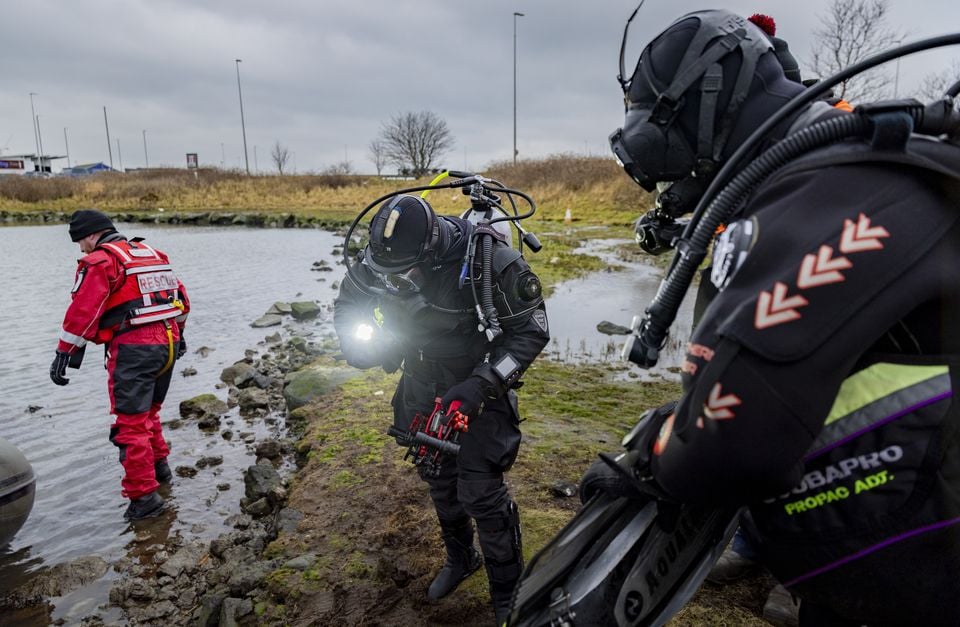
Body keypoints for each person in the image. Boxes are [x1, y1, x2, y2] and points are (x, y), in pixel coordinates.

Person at [587, 8, 960, 626]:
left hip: (912, 565)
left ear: (699, 103)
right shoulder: (851, 158)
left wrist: (652, 456)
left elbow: (728, 443)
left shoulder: (832, 187)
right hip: (897, 532)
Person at [334, 194, 549, 624]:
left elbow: (532, 332)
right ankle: (461, 558)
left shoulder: (491, 261)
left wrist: (483, 384)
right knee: (437, 478)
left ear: (430, 253)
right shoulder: (379, 258)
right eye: (388, 274)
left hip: (475, 386)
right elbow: (347, 305)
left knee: (482, 493)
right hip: (418, 380)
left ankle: (508, 591)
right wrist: (361, 344)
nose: (396, 281)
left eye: (407, 274)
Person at [50, 209, 190, 521]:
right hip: (167, 340)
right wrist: (180, 336)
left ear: (90, 235)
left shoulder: (101, 261)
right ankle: (160, 471)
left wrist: (64, 353)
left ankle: (144, 499)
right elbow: (181, 299)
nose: (81, 249)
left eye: (80, 242)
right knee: (148, 414)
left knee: (130, 424)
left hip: (135, 348)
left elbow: (84, 310)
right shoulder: (152, 254)